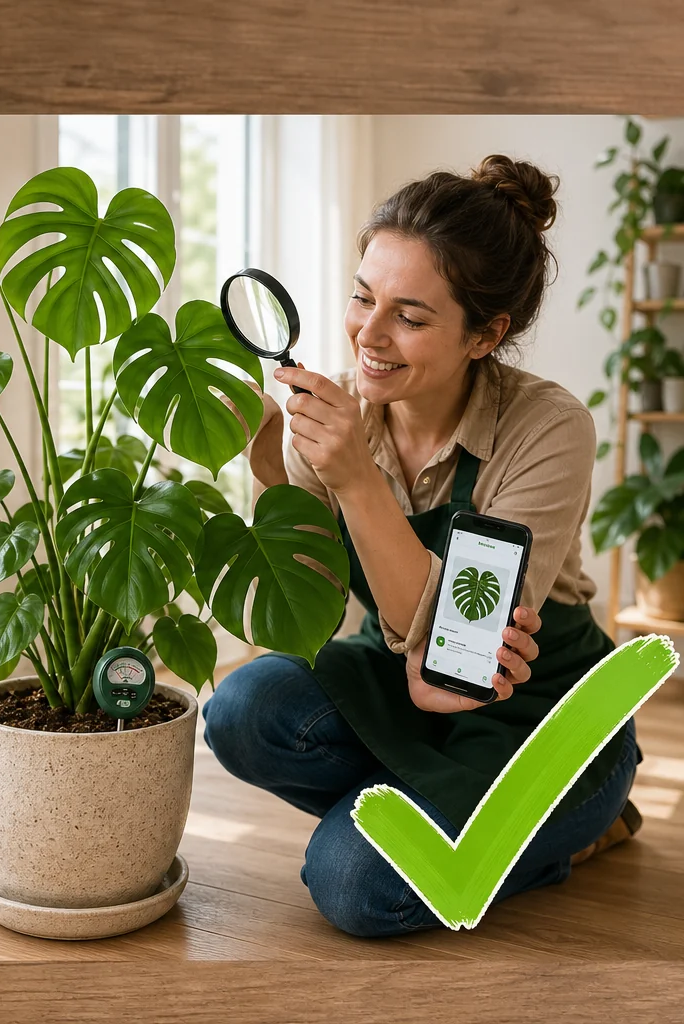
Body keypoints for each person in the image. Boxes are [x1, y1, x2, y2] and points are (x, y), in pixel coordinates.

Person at [202, 155, 640, 937]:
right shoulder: (338, 416)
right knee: (242, 709)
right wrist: (271, 460)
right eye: (362, 298)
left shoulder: (548, 429)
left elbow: (462, 652)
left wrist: (358, 481)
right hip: (398, 681)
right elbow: (314, 597)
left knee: (353, 884)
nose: (368, 335)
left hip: (538, 710)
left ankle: (566, 824)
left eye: (409, 316)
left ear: (487, 334)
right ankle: (431, 804)